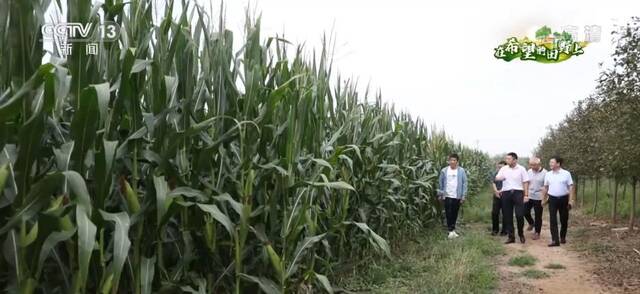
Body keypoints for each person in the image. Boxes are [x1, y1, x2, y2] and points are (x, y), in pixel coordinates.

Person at [495, 152, 530, 244]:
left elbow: (526, 182)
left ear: (515, 160)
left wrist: (526, 195)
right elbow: (497, 177)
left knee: (519, 215)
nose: (507, 160)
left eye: (509, 159)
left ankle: (521, 234)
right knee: (507, 216)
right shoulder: (503, 168)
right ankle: (511, 237)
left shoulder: (521, 169)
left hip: (518, 193)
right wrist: (500, 178)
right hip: (506, 193)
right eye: (506, 159)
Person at [542, 156, 576, 247]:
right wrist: (543, 199)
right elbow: (545, 187)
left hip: (564, 199)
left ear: (558, 164)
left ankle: (562, 237)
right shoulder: (548, 174)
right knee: (552, 219)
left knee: (564, 219)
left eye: (552, 162)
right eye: (550, 162)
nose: (550, 164)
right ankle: (555, 240)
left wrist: (571, 200)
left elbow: (571, 187)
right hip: (552, 199)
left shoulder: (566, 174)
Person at [437, 153, 468, 239]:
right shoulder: (444, 171)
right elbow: (440, 183)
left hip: (457, 195)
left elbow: (465, 183)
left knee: (455, 212)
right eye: (451, 160)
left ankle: (452, 229)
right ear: (449, 161)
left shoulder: (461, 171)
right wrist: (440, 194)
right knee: (448, 212)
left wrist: (463, 195)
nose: (452, 162)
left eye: (454, 160)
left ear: (457, 162)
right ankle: (450, 230)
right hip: (447, 195)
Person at [525, 157, 546, 240]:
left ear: (539, 164)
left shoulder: (545, 173)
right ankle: (531, 223)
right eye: (531, 165)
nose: (532, 167)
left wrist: (544, 198)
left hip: (539, 197)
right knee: (524, 211)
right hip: (529, 195)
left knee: (538, 215)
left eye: (534, 165)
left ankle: (537, 232)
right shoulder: (529, 172)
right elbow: (526, 183)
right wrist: (525, 194)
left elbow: (546, 186)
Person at [491, 161, 507, 236]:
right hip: (497, 195)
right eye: (498, 167)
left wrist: (502, 190)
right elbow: (493, 182)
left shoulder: (508, 174)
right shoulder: (496, 173)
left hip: (505, 195)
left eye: (501, 167)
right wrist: (496, 191)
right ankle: (495, 230)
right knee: (495, 213)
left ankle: (504, 230)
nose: (499, 169)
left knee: (505, 213)